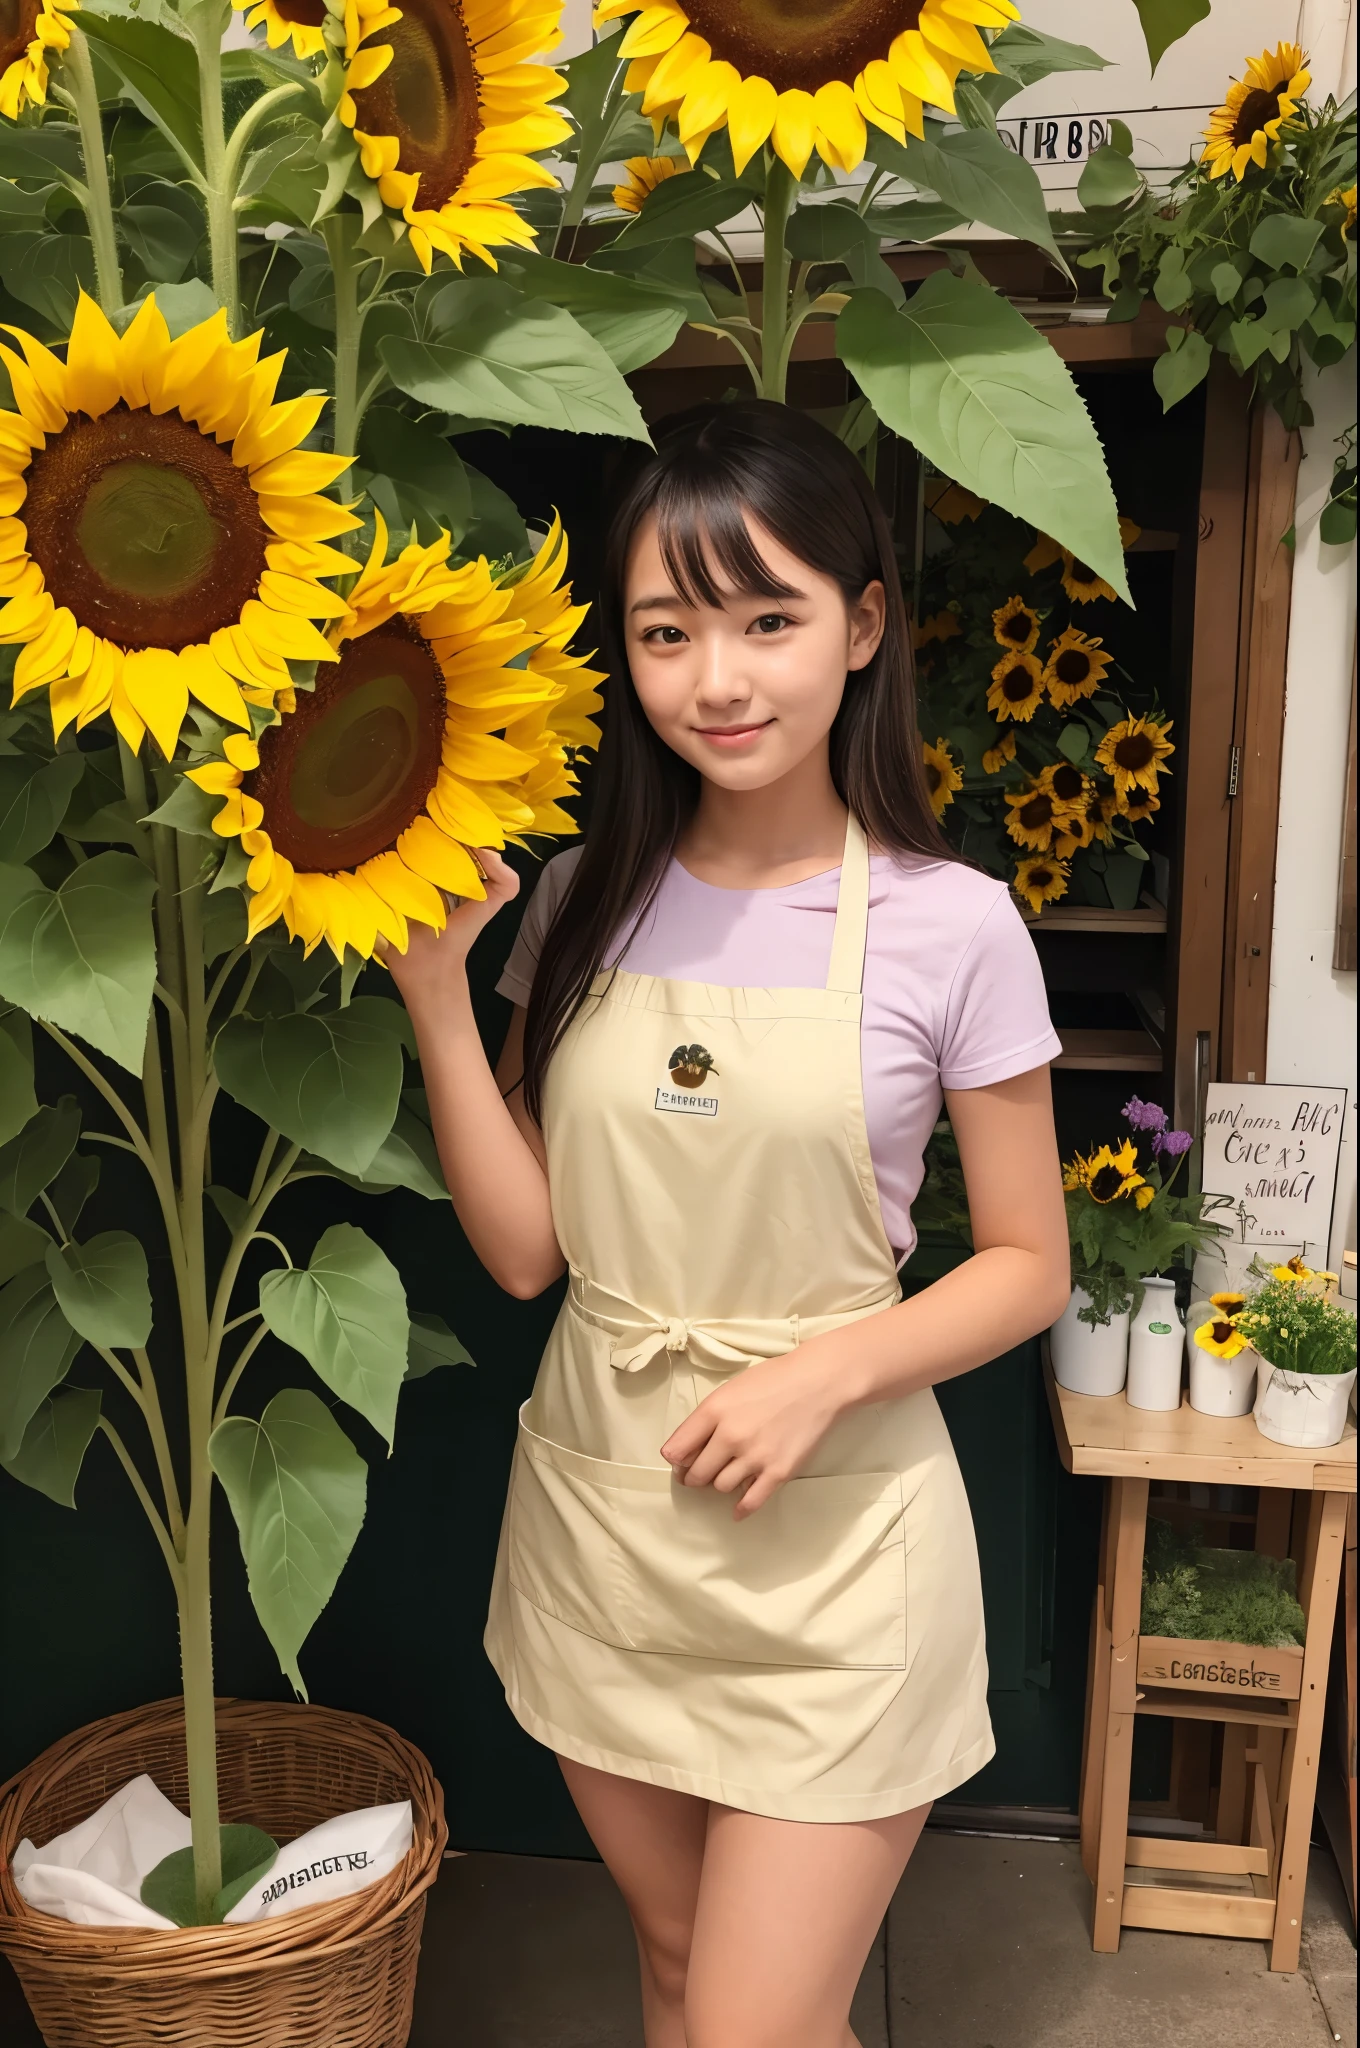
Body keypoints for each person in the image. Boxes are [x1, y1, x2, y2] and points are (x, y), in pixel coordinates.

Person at [383, 400, 1071, 2048]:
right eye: (669, 631)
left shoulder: (952, 925)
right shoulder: (580, 899)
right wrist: (432, 988)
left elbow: (1030, 1265)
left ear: (861, 621)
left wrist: (819, 1375)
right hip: (610, 1520)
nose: (722, 678)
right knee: (689, 1981)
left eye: (769, 619)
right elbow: (528, 1254)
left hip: (835, 1556)